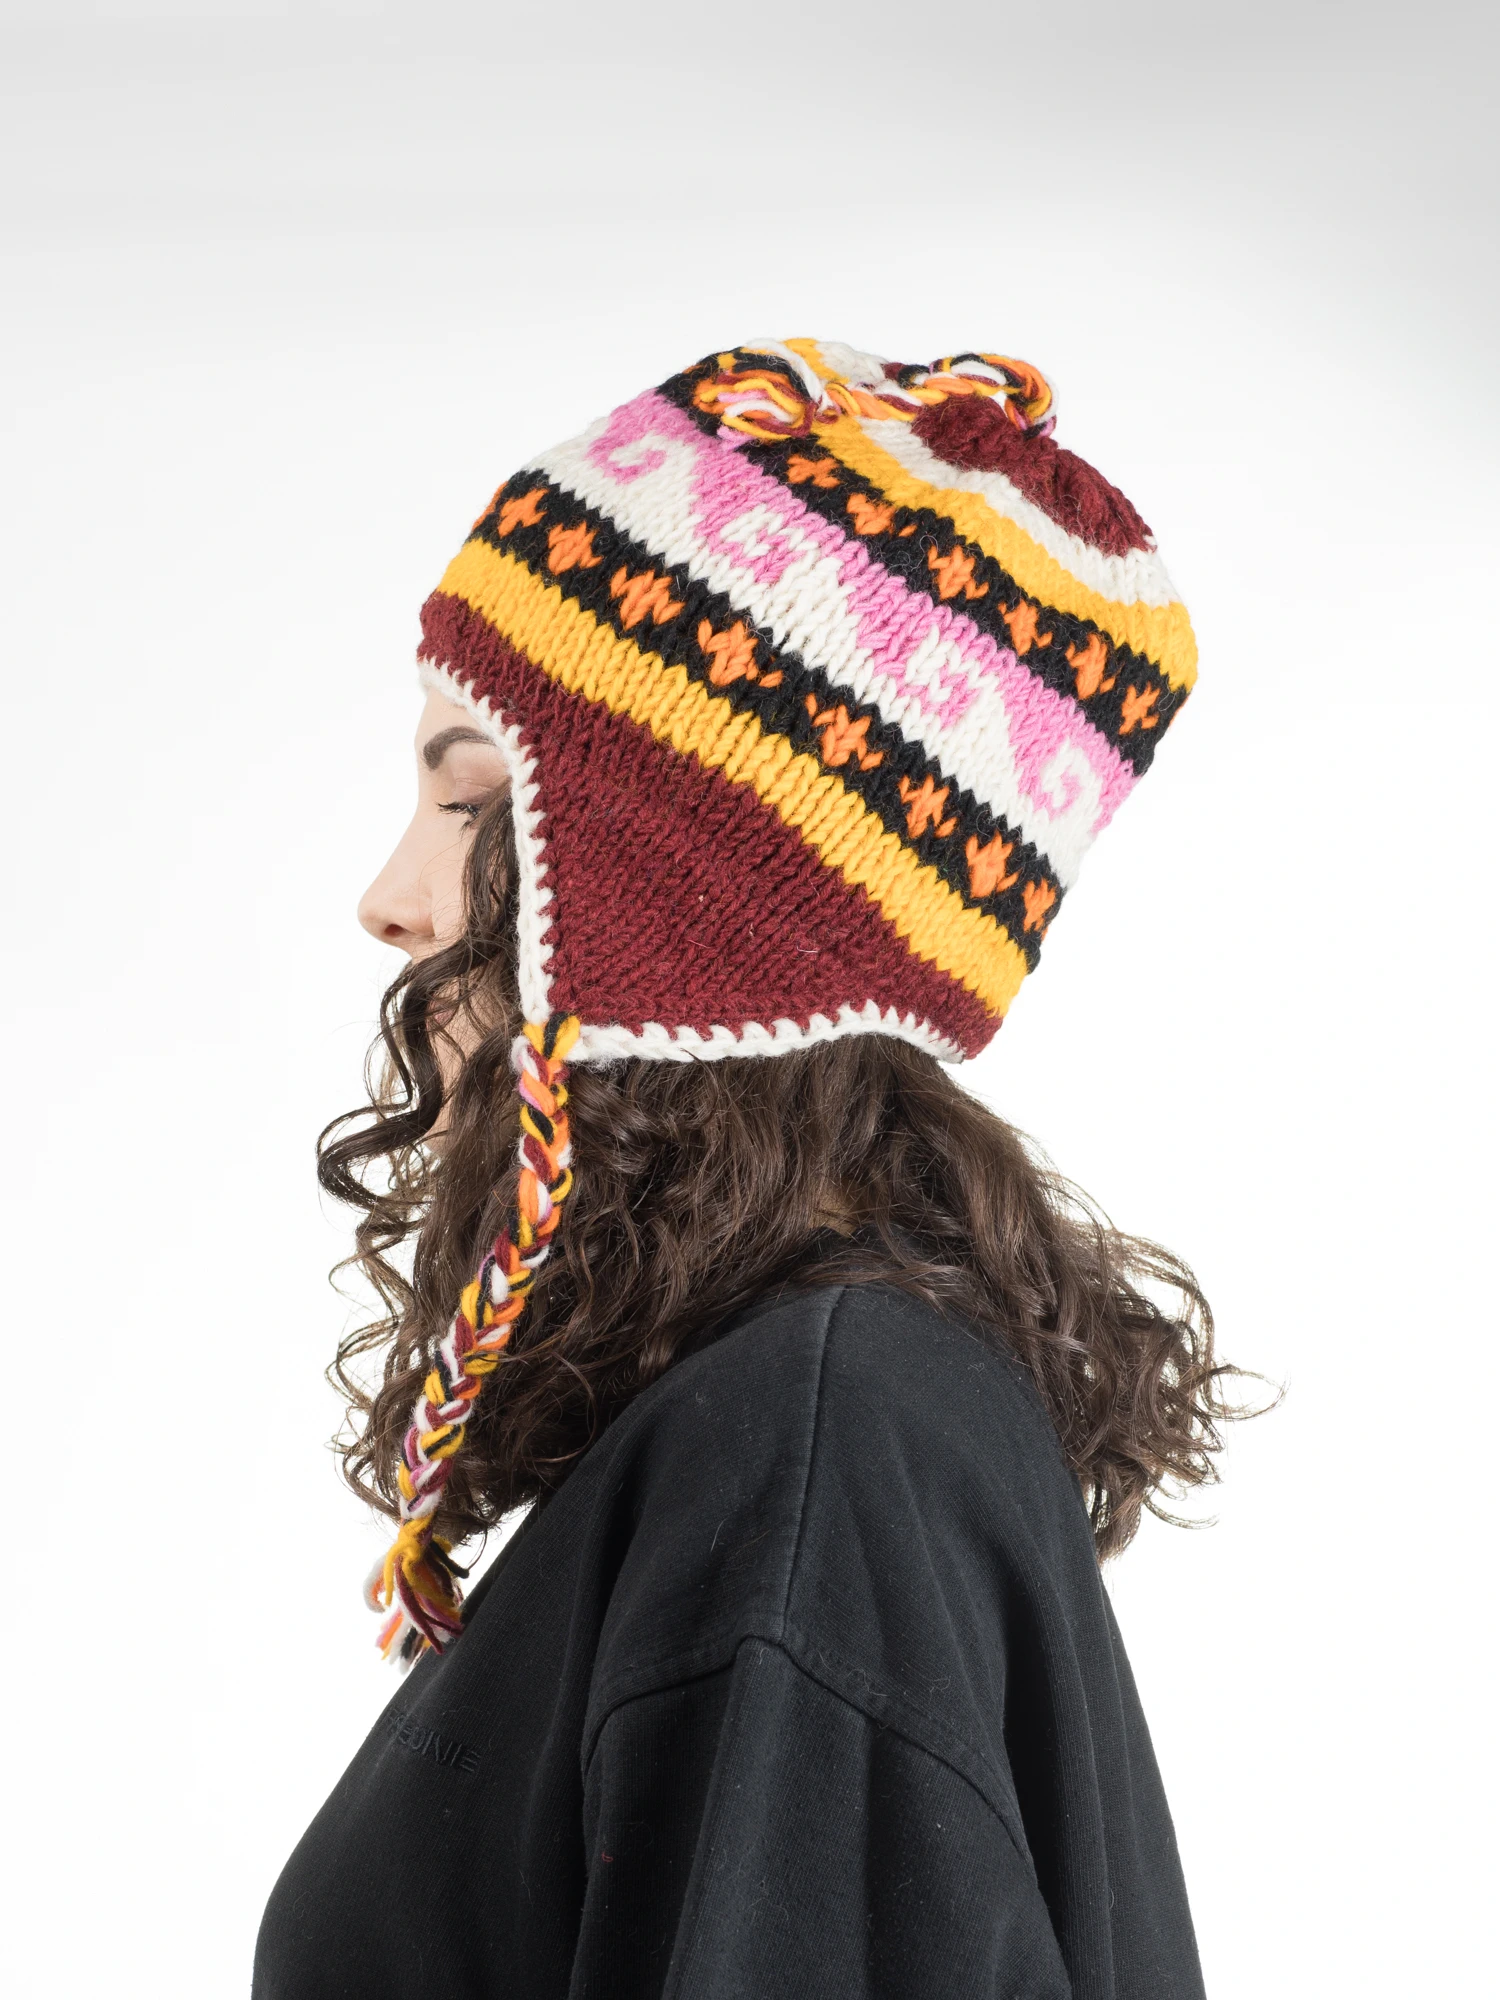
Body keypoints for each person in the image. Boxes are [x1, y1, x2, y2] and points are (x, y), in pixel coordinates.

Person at [254, 339, 1239, 1998]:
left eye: (474, 800)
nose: (390, 899)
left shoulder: (814, 1457)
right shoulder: (812, 1422)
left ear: (687, 917)